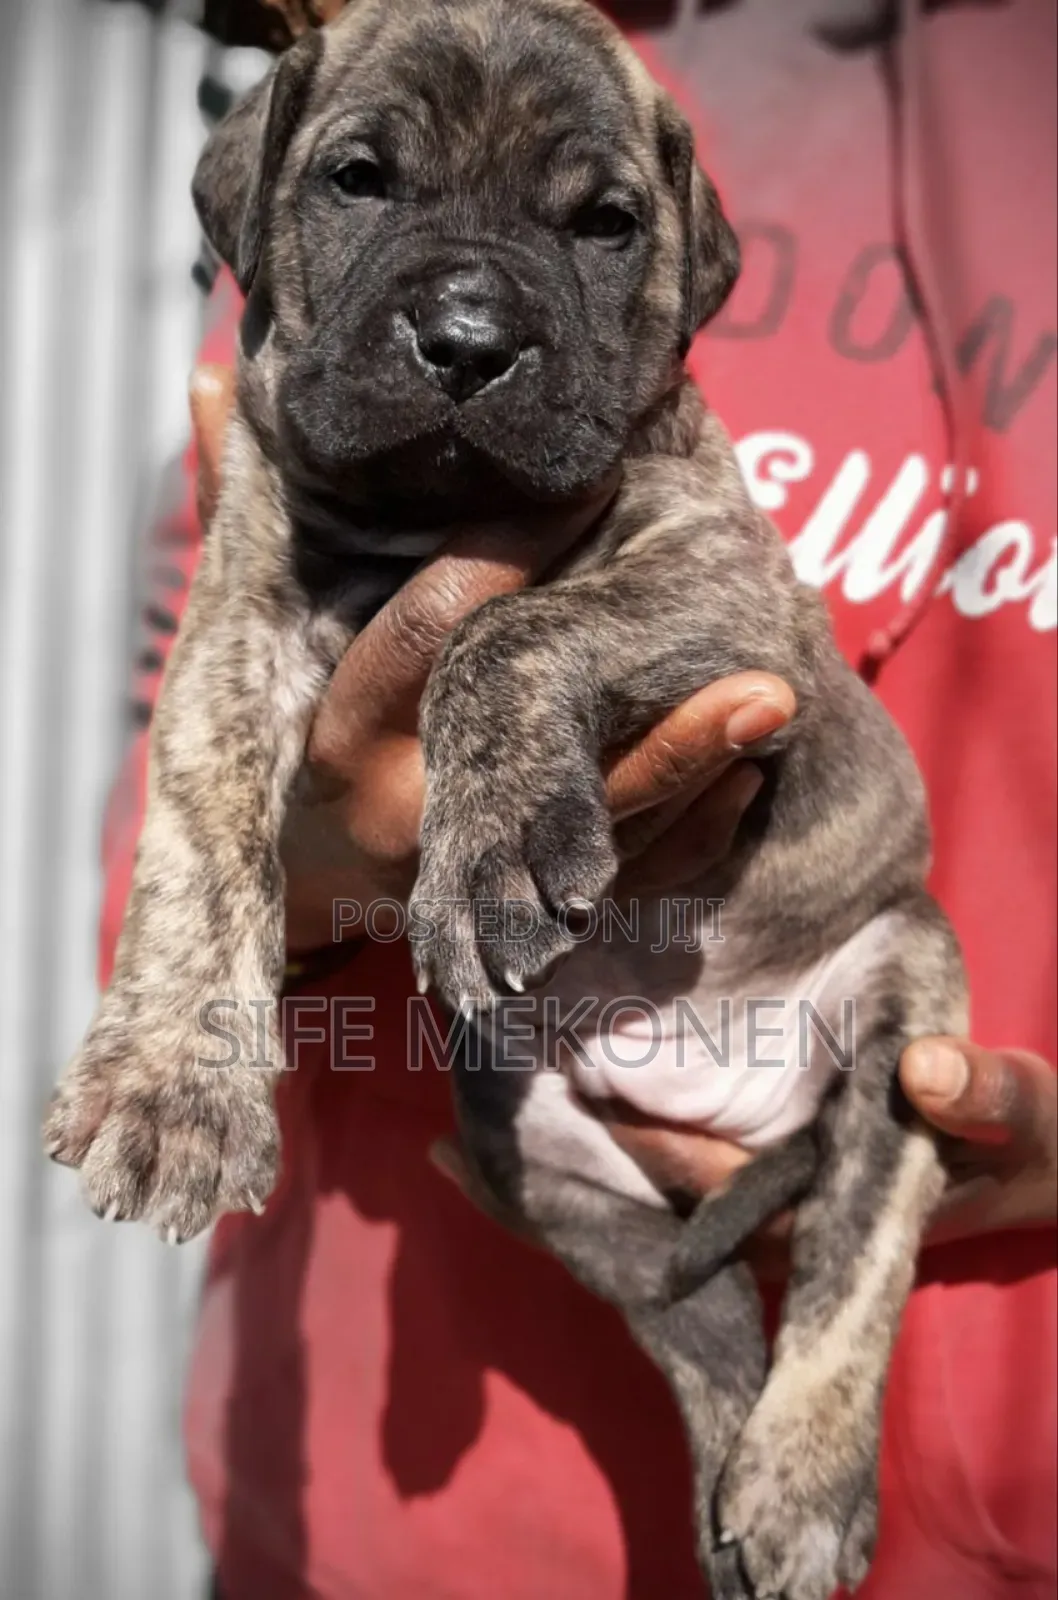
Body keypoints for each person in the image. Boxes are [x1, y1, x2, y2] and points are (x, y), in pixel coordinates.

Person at [106, 0, 1056, 1595]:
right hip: (377, 1495)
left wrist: (515, 672)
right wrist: (306, 884)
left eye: (596, 225)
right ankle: (721, 1381)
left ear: (678, 278)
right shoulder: (385, 36)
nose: (470, 314)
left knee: (896, 974)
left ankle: (808, 1389)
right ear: (259, 216)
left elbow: (726, 596)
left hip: (973, 1430)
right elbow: (188, 773)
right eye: (363, 187)